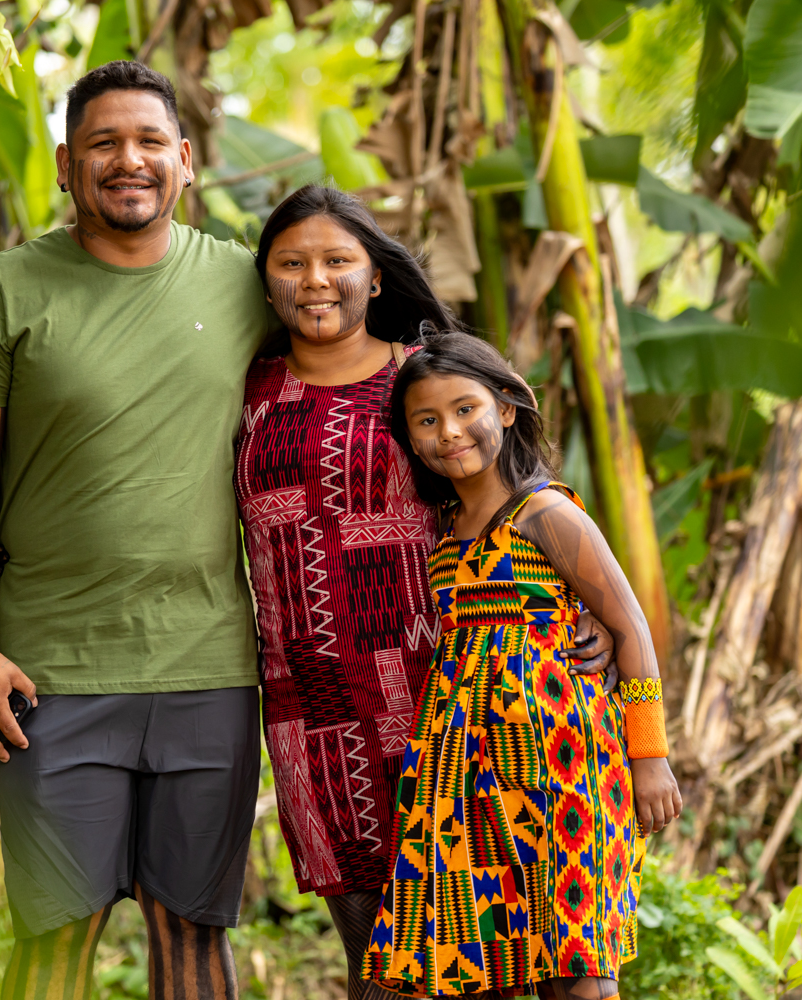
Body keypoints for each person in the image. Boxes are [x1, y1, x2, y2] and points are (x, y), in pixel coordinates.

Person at [0, 61, 271, 1000]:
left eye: (151, 141)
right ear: (65, 164)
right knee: (55, 937)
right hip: (52, 669)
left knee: (193, 933)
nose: (130, 161)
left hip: (210, 664)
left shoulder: (248, 285)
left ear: (187, 161)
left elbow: (379, 382)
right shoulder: (0, 292)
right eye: (104, 144)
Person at [235, 186, 618, 1000]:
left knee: (483, 948)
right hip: (309, 712)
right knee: (374, 955)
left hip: (446, 700)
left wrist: (590, 611)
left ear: (377, 277)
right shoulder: (246, 389)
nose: (317, 280)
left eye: (339, 260)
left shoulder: (426, 380)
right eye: (292, 263)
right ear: (264, 280)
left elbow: (520, 492)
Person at [358, 331, 682, 1000]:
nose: (450, 431)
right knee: (489, 959)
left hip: (563, 767)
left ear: (506, 409)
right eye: (427, 420)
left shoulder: (547, 513)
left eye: (465, 408)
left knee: (576, 964)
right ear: (411, 438)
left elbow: (630, 626)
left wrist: (649, 754)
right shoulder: (444, 532)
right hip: (469, 776)